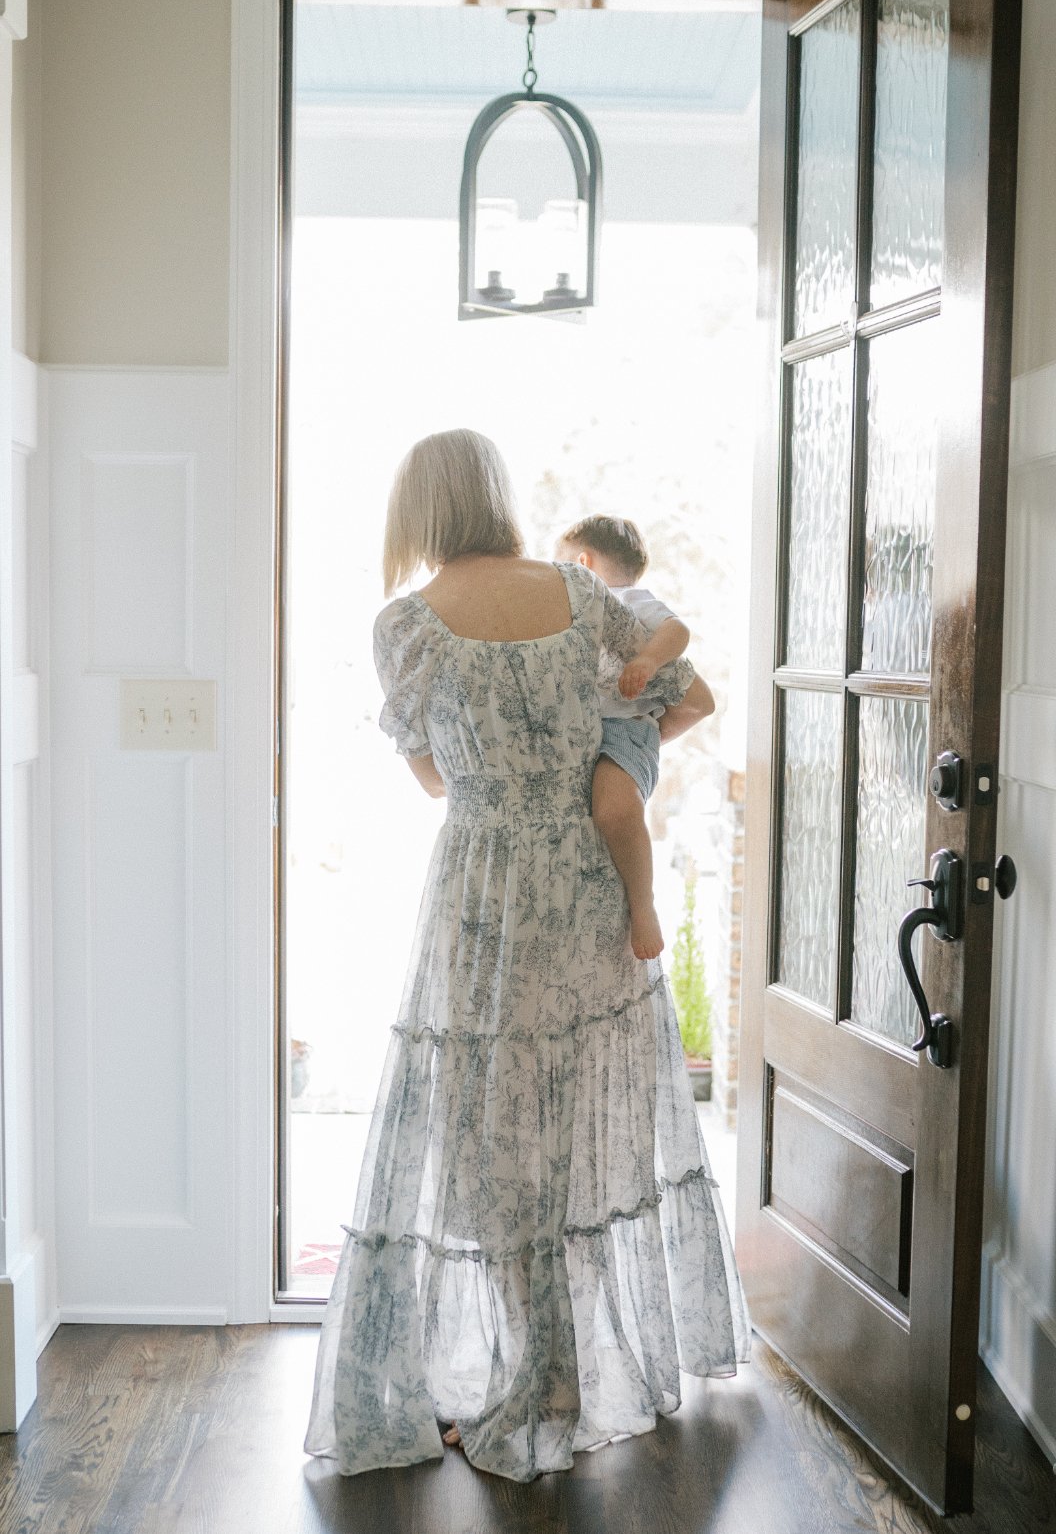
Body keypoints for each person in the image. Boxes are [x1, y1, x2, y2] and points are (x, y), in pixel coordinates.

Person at [304, 429, 750, 1484]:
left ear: (418, 512)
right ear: (497, 498)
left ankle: (509, 1362)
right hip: (586, 890)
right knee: (581, 1119)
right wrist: (601, 766)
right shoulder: (578, 593)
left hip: (481, 895)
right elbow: (678, 692)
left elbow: (432, 784)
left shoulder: (404, 627)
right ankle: (571, 1370)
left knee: (481, 1135)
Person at [557, 514, 691, 961]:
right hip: (588, 730)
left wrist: (648, 661)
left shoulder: (629, 600)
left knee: (616, 809)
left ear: (582, 563)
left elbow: (677, 630)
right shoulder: (568, 614)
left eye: (560, 567)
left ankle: (643, 904)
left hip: (625, 729)